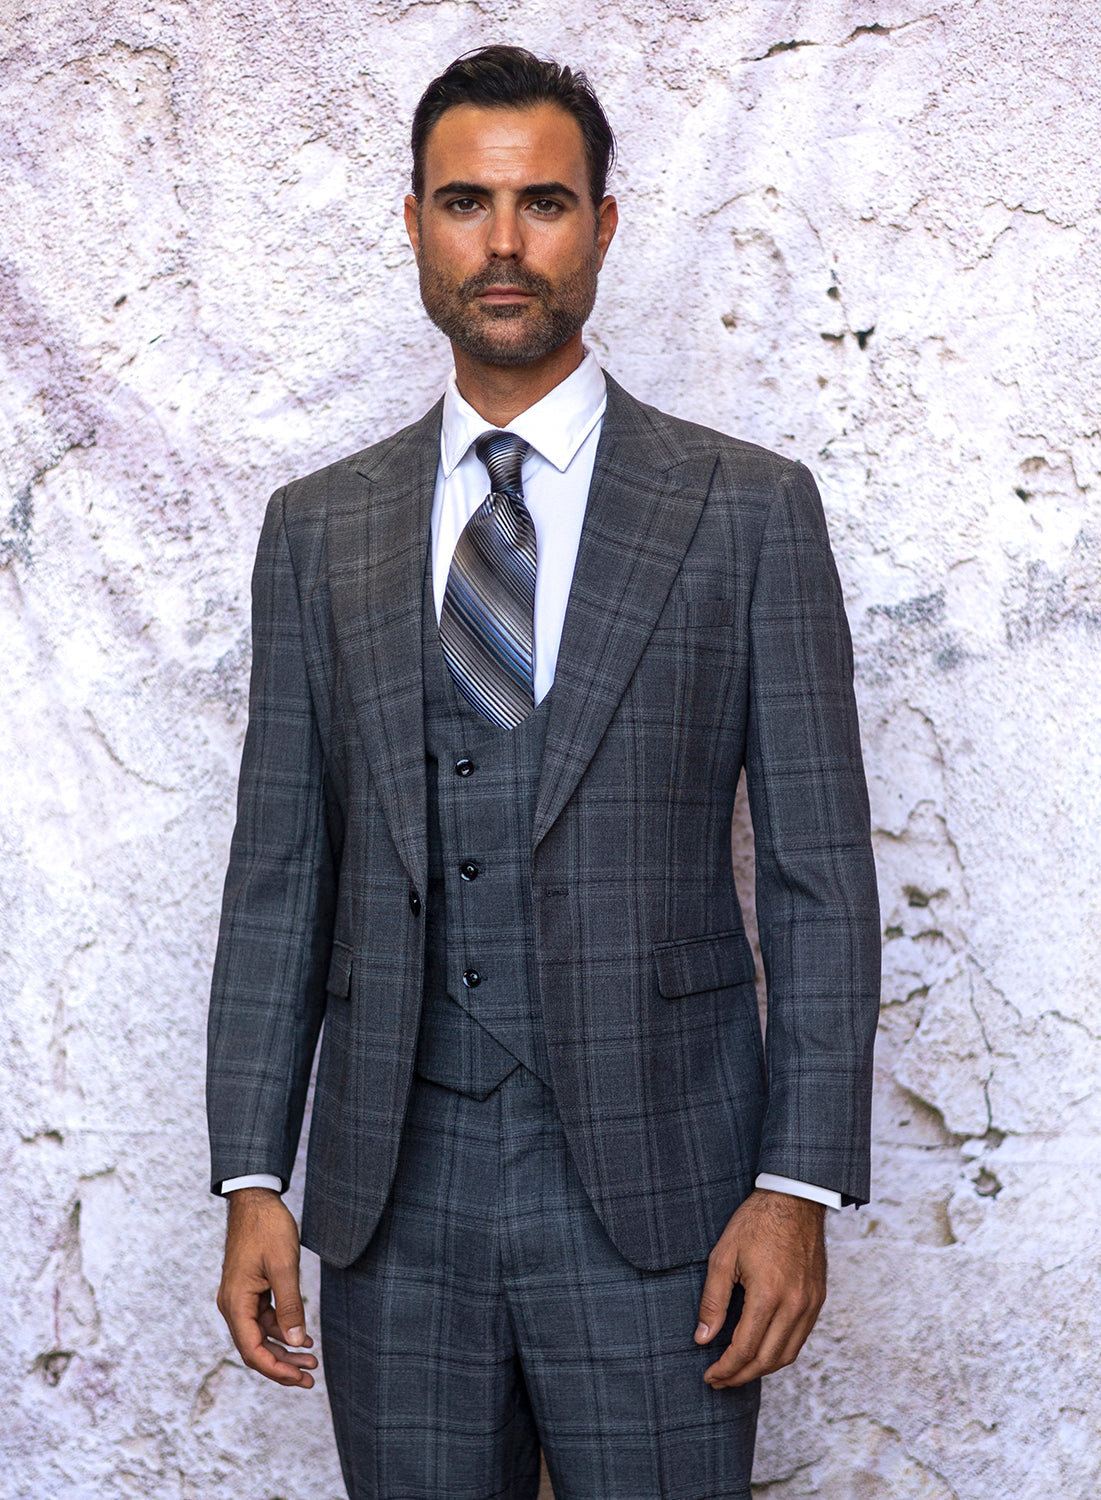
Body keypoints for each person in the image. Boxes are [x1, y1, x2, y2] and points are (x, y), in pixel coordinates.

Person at [207, 44, 880, 1500]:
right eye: (466, 202)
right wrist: (254, 1174)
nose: (503, 243)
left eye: (545, 203)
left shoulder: (745, 511)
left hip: (669, 1200)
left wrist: (797, 1186)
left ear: (603, 225)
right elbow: (278, 871)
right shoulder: (318, 529)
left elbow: (820, 876)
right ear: (414, 224)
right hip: (390, 1203)